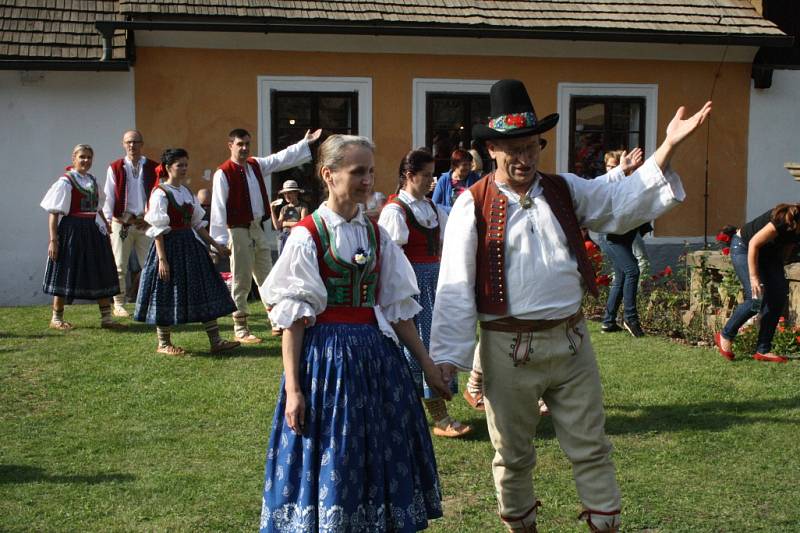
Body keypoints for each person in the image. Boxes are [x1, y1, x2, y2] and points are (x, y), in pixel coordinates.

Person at [430, 79, 711, 532]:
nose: (524, 159)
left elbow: (620, 201)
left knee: (593, 447)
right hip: (508, 351)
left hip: (573, 342)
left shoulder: (565, 189)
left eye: (531, 147)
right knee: (514, 455)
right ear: (492, 150)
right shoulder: (472, 204)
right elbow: (455, 285)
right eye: (513, 150)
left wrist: (667, 148)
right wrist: (447, 358)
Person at [258, 135, 449, 532]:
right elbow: (294, 320)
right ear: (328, 175)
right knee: (336, 450)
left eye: (371, 171)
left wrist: (427, 366)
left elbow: (399, 312)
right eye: (357, 171)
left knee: (378, 449)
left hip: (378, 361)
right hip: (326, 365)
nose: (367, 181)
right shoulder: (307, 235)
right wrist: (294, 390)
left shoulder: (378, 236)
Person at [378, 149, 472, 438]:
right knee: (416, 348)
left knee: (436, 344)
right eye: (427, 175)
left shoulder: (431, 208)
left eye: (433, 175)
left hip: (435, 286)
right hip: (411, 288)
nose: (432, 181)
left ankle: (429, 412)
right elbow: (389, 258)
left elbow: (449, 240)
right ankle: (437, 416)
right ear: (409, 176)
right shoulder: (396, 211)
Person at [210, 127, 322, 344]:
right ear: (230, 145)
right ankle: (240, 327)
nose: (244, 148)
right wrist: (220, 241)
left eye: (247, 144)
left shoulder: (255, 165)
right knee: (241, 278)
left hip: (256, 228)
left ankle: (276, 320)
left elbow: (280, 159)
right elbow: (218, 208)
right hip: (237, 229)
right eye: (240, 144)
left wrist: (304, 143)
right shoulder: (223, 173)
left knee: (268, 276)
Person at [134, 148, 239, 356]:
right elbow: (157, 230)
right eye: (179, 165)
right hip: (169, 248)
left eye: (185, 165)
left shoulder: (187, 193)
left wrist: (215, 245)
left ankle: (216, 340)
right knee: (165, 291)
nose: (183, 169)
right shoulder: (160, 193)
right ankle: (163, 343)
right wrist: (162, 260)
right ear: (167, 167)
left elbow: (197, 224)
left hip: (190, 247)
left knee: (204, 287)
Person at [40, 144, 125, 331]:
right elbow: (54, 213)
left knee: (101, 269)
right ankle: (56, 318)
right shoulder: (65, 182)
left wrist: (106, 224)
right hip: (72, 230)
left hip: (93, 231)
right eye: (82, 157)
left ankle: (106, 318)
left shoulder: (93, 180)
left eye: (89, 157)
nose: (86, 161)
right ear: (74, 158)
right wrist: (54, 240)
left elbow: (98, 206)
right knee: (65, 269)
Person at [714, 204, 800, 363]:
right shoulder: (785, 218)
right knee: (756, 298)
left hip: (769, 254)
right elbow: (754, 243)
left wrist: (780, 268)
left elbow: (788, 247)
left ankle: (763, 350)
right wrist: (755, 278)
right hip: (745, 247)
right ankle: (725, 335)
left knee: (778, 296)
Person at [102, 130, 161, 317]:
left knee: (150, 264)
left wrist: (151, 219)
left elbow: (158, 195)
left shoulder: (154, 167)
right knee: (119, 265)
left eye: (135, 142)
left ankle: (150, 301)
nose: (132, 146)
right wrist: (108, 222)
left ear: (142, 144)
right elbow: (109, 196)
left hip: (145, 223)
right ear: (123, 144)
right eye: (128, 142)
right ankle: (119, 303)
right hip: (123, 223)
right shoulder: (116, 167)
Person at [600, 148, 650, 337]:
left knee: (621, 277)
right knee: (632, 270)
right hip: (610, 237)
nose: (612, 170)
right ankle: (630, 318)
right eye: (609, 166)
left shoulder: (632, 182)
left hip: (625, 235)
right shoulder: (607, 185)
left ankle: (608, 321)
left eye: (615, 166)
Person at [431, 149, 481, 214]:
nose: (468, 167)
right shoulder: (444, 180)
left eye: (469, 164)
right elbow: (434, 204)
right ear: (454, 166)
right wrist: (453, 211)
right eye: (465, 165)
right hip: (448, 220)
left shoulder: (475, 178)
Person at [275, 180, 309, 255]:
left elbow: (302, 224)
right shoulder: (284, 208)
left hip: (296, 237)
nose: (287, 195)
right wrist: (272, 210)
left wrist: (285, 223)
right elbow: (278, 226)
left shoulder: (303, 206)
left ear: (296, 193)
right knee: (283, 262)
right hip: (283, 237)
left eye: (289, 193)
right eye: (285, 193)